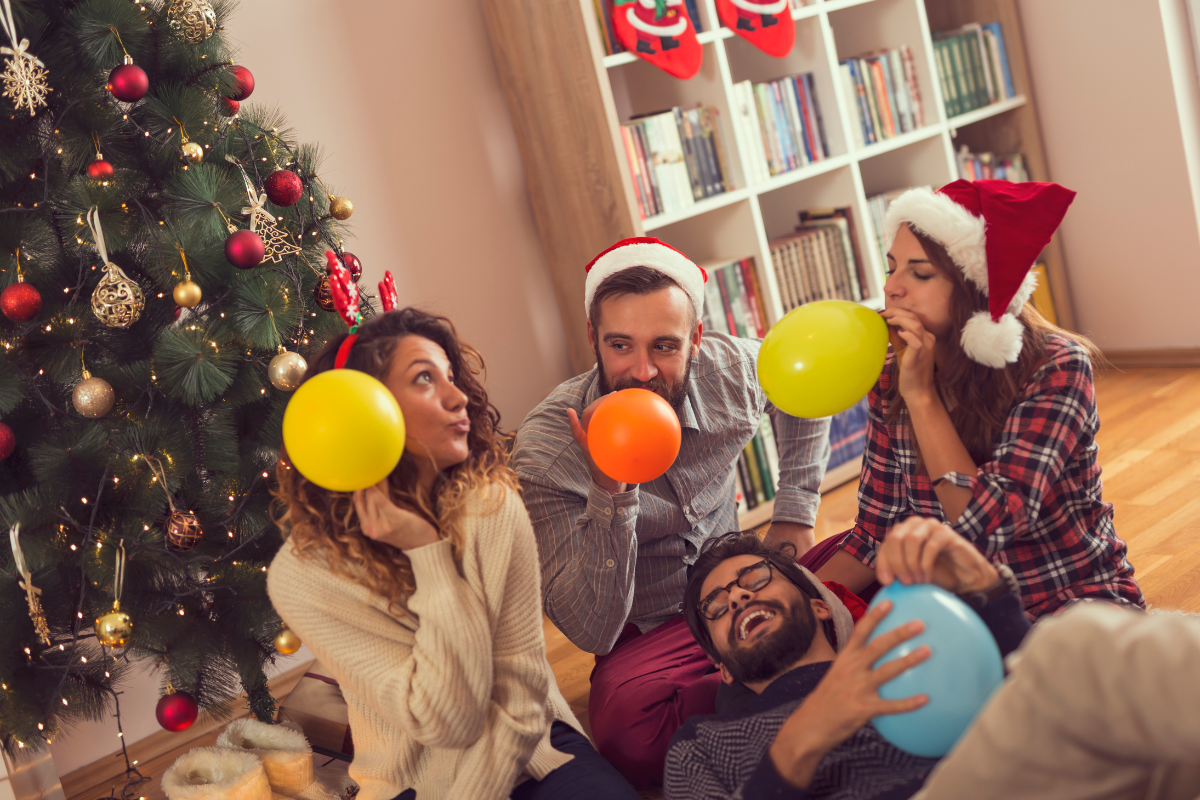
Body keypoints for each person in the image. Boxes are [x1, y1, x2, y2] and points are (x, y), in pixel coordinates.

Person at [268, 309, 640, 800]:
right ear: (359, 407)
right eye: (425, 378)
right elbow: (444, 720)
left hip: (535, 750)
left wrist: (429, 552)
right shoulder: (303, 575)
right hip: (413, 781)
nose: (457, 396)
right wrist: (430, 559)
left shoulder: (490, 503)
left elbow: (523, 690)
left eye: (450, 375)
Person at [511, 237, 832, 786]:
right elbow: (592, 631)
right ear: (593, 339)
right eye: (620, 345)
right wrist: (611, 489)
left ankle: (761, 690)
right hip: (650, 631)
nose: (642, 371)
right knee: (624, 735)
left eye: (664, 345)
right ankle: (801, 678)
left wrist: (796, 511)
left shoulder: (732, 370)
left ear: (697, 339)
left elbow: (808, 377)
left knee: (869, 555)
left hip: (748, 585)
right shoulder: (546, 449)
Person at [817, 180, 1144, 617]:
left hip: (1069, 607)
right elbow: (878, 531)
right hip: (959, 614)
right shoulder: (892, 369)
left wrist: (922, 398)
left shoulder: (1057, 365)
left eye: (921, 272)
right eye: (892, 267)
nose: (892, 288)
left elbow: (987, 525)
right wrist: (799, 600)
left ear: (975, 287)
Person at [666, 521, 1031, 799]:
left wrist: (990, 590)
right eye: (715, 604)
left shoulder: (907, 655)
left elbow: (1029, 703)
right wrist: (796, 746)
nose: (738, 596)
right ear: (723, 668)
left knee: (1076, 637)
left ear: (820, 605)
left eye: (756, 578)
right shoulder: (699, 746)